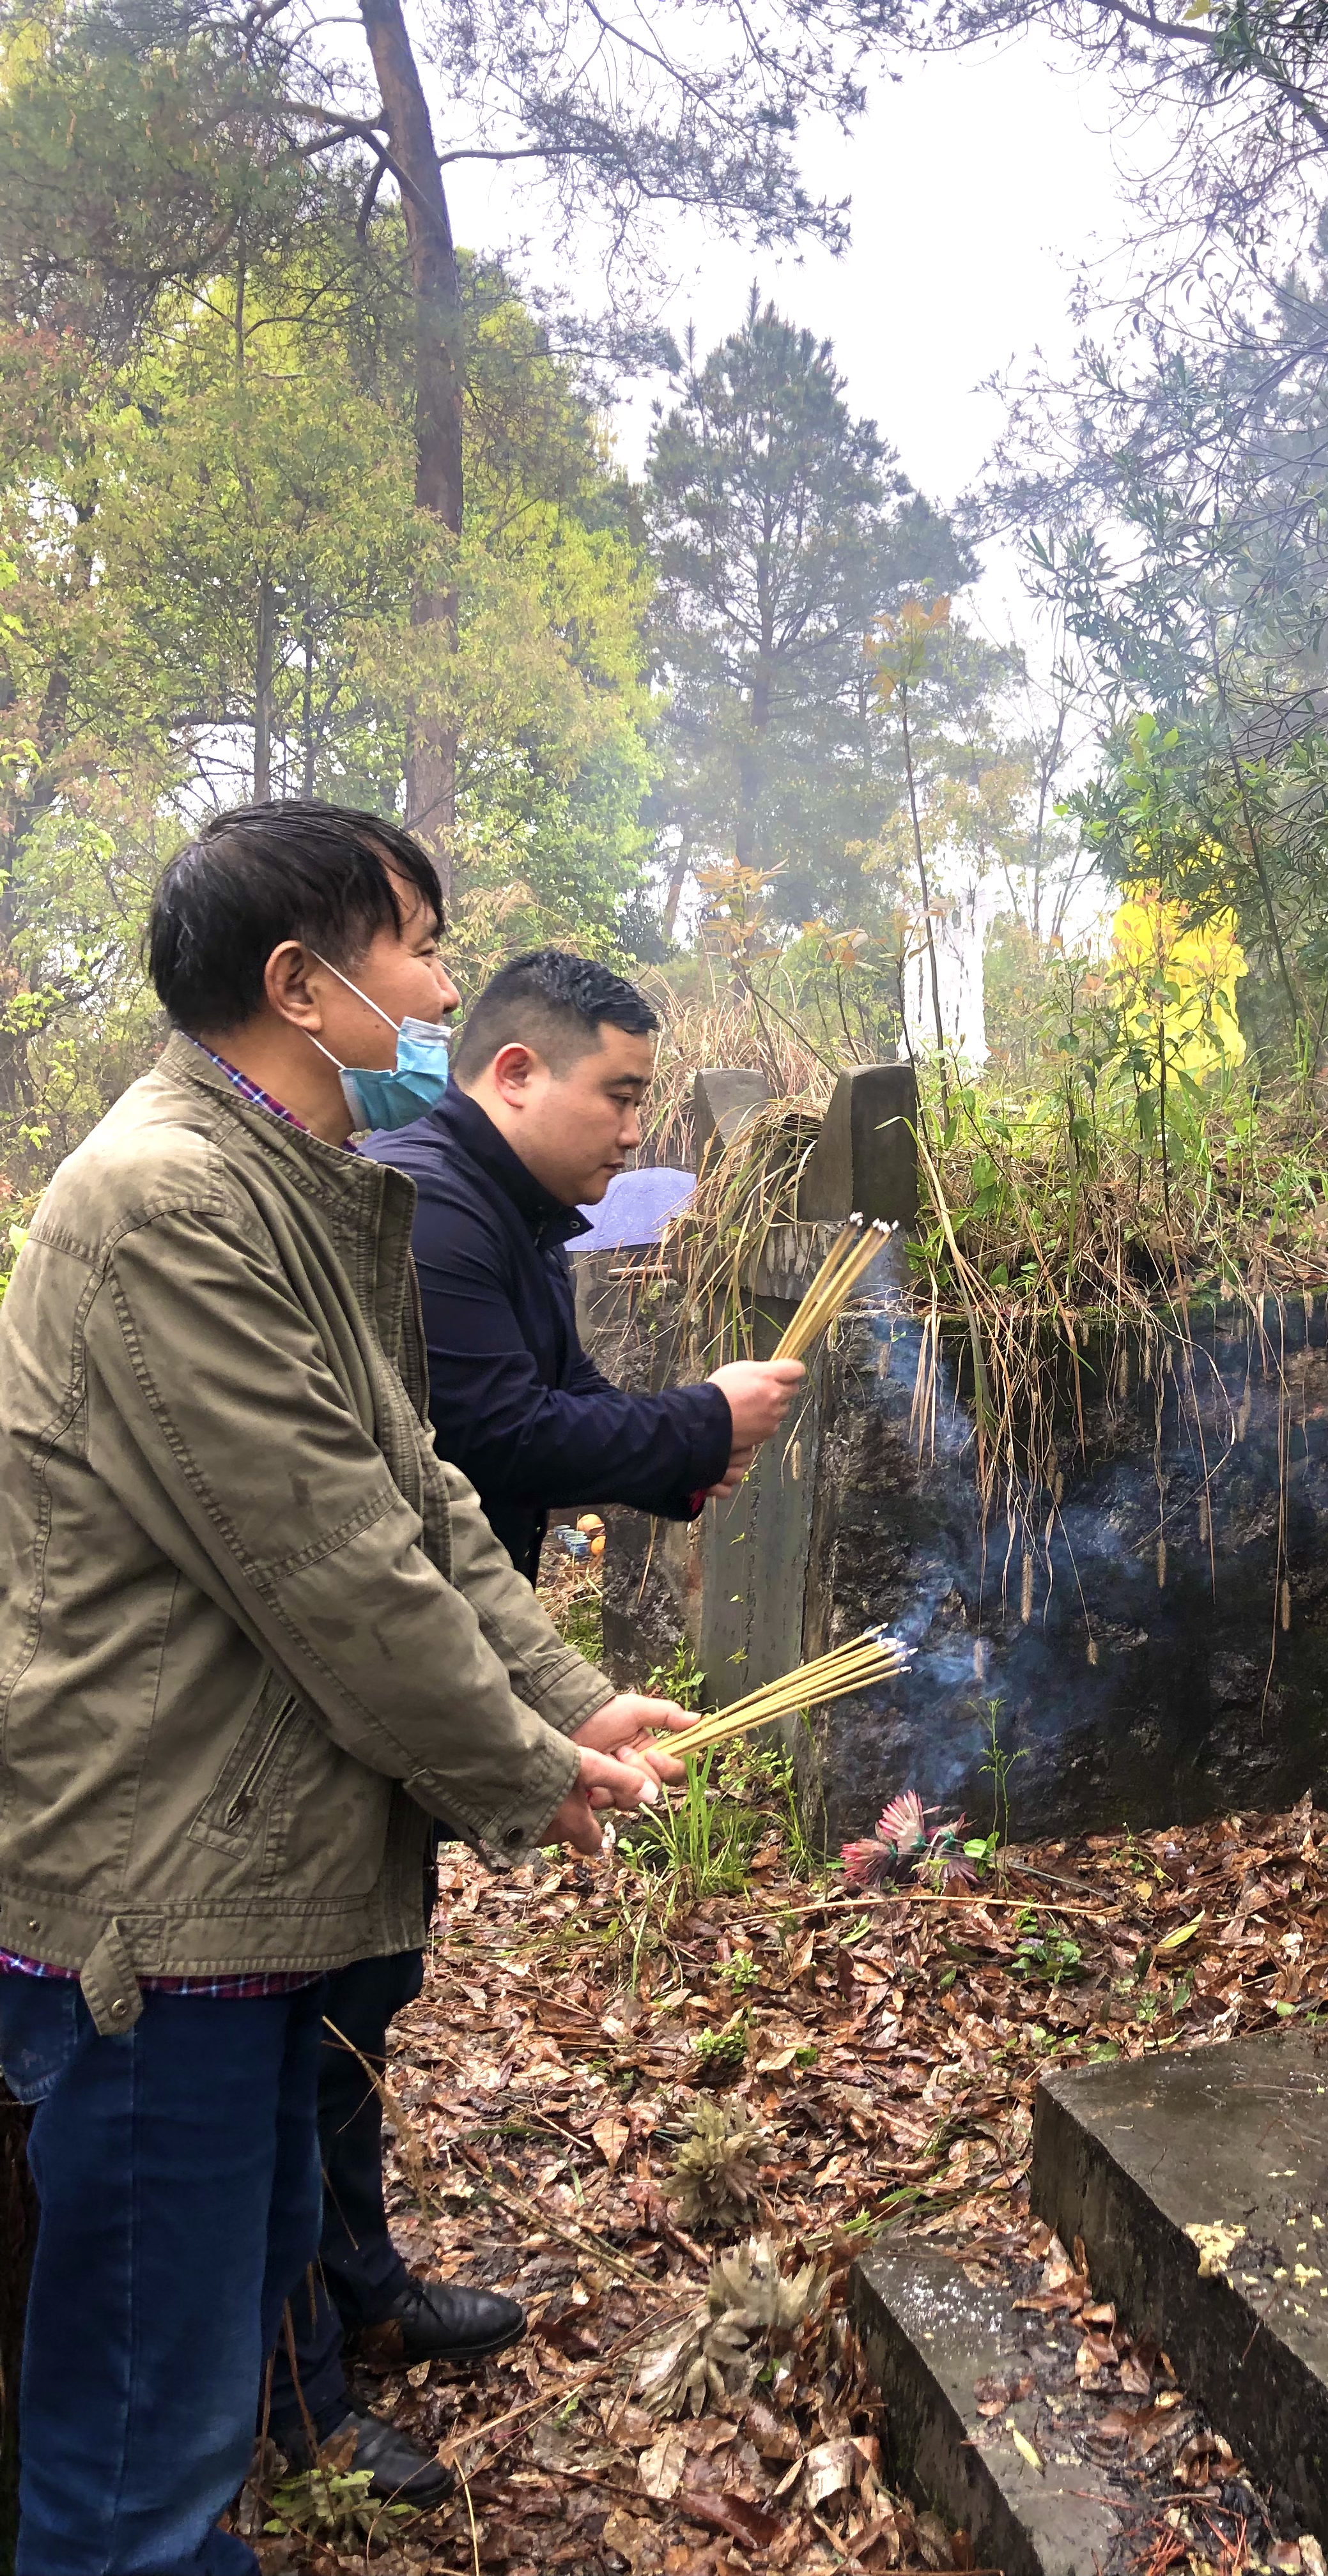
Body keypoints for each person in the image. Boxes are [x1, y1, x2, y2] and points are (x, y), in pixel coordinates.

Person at [0, 801, 682, 2575]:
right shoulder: (164, 1203)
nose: (443, 992)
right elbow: (329, 1565)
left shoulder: (300, 1188)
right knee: (138, 2433)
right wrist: (524, 1772)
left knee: (228, 2303)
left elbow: (422, 1497)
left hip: (260, 1866)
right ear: (303, 986)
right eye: (422, 953)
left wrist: (564, 1699)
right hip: (163, 1889)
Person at [270, 948, 804, 2489]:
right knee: (314, 2031)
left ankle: (359, 2289)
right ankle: (297, 2393)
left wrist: (673, 1454)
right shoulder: (427, 1209)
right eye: (619, 1092)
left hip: (450, 1647)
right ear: (514, 1073)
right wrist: (695, 1421)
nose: (636, 1127)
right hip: (376, 1672)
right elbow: (485, 1434)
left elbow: (553, 1407)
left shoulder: (508, 1215)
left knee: (365, 2000)